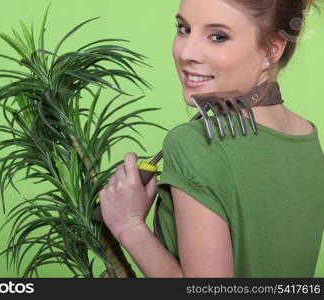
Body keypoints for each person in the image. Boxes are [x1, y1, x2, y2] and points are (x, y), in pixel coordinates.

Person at [98, 0, 324, 277]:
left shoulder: (194, 143)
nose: (186, 52)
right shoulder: (306, 136)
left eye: (218, 36)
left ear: (271, 50)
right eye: (184, 29)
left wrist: (128, 224)